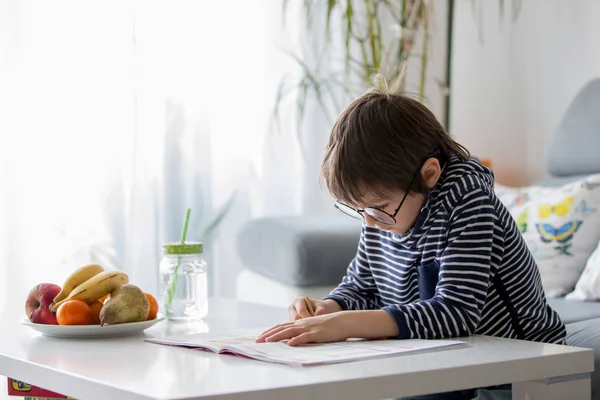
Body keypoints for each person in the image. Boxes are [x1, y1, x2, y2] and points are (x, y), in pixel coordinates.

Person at [255, 72, 566, 400]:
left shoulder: (469, 201)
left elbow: (456, 313)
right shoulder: (386, 213)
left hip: (515, 370)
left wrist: (346, 324)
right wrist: (328, 309)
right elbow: (363, 286)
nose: (371, 224)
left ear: (429, 174)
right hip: (445, 358)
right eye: (361, 211)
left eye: (377, 208)